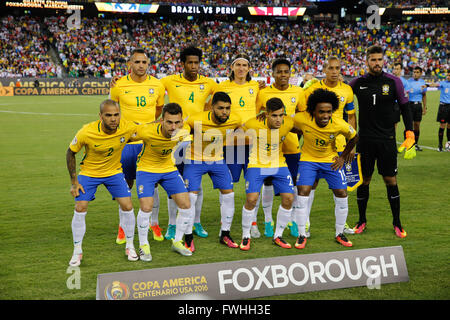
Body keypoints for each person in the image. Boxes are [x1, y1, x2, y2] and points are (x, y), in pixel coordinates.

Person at [349, 45, 415, 238]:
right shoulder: (357, 82)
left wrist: (409, 131)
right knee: (364, 181)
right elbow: (339, 94)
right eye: (373, 60)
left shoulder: (394, 82)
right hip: (365, 141)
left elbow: (405, 108)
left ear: (383, 61)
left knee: (390, 180)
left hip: (387, 141)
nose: (376, 63)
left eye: (379, 60)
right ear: (366, 61)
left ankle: (397, 223)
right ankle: (361, 221)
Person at [66, 100, 139, 267]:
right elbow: (70, 152)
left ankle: (130, 246)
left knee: (127, 206)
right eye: (108, 115)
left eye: (116, 115)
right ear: (100, 116)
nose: (113, 119)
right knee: (80, 207)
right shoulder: (87, 131)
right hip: (89, 173)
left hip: (114, 172)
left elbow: (147, 130)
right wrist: (74, 181)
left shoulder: (127, 127)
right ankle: (77, 251)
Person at [161, 46, 218, 240]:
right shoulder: (169, 80)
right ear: (183, 64)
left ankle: (196, 222)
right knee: (173, 183)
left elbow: (222, 98)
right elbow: (150, 89)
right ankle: (171, 224)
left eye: (196, 62)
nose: (194, 66)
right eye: (190, 62)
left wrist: (206, 111)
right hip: (176, 139)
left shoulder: (208, 83)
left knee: (197, 185)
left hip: (199, 139)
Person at [110, 48, 165, 244]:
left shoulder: (157, 85)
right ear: (130, 64)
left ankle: (154, 223)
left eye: (144, 62)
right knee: (125, 184)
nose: (141, 65)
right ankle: (123, 227)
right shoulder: (119, 85)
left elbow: (159, 109)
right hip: (126, 143)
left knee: (153, 184)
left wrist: (148, 127)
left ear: (148, 64)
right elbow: (112, 110)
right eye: (137, 62)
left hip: (149, 142)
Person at [293, 89, 358, 249]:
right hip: (308, 160)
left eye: (329, 112)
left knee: (342, 193)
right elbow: (286, 123)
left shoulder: (338, 123)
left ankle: (339, 233)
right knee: (303, 191)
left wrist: (343, 157)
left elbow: (354, 136)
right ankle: (302, 235)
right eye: (321, 112)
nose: (325, 116)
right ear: (313, 111)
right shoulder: (302, 118)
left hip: (331, 161)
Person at [130, 103, 194, 258]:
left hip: (168, 168)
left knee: (186, 205)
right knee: (146, 207)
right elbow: (124, 138)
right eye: (169, 122)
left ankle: (177, 242)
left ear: (181, 122)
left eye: (177, 122)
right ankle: (143, 245)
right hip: (146, 169)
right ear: (161, 121)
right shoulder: (146, 131)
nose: (173, 127)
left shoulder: (184, 131)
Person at [302, 56, 357, 237]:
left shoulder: (347, 90)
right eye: (331, 68)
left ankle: (342, 224)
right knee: (312, 184)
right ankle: (306, 223)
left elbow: (351, 116)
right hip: (317, 144)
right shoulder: (315, 88)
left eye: (337, 68)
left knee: (341, 186)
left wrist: (352, 148)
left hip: (341, 143)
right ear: (324, 70)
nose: (334, 72)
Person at [182, 92, 242, 251]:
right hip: (194, 159)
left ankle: (225, 234)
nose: (225, 112)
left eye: (227, 108)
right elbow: (180, 129)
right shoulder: (196, 119)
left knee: (229, 195)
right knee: (191, 197)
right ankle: (188, 237)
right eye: (220, 108)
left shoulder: (234, 119)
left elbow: (242, 129)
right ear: (212, 107)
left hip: (217, 160)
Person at [254, 58, 306, 238]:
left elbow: (302, 116)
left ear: (290, 73)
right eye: (279, 72)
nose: (283, 75)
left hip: (291, 146)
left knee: (293, 185)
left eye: (286, 72)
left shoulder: (298, 92)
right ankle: (268, 220)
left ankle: (291, 218)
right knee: (267, 182)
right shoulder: (263, 93)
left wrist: (297, 133)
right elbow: (256, 116)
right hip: (269, 148)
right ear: (273, 74)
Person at [240, 97, 299, 251]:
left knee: (289, 198)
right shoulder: (253, 123)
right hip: (256, 164)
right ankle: (246, 235)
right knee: (251, 200)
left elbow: (303, 128)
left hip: (279, 163)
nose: (279, 119)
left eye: (281, 115)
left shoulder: (289, 122)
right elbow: (237, 128)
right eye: (274, 116)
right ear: (266, 114)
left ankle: (278, 235)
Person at [214, 53, 261, 237]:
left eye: (245, 65)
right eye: (238, 65)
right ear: (232, 68)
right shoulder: (223, 87)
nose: (241, 68)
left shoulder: (256, 86)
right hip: (232, 144)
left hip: (252, 143)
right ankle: (224, 223)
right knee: (228, 185)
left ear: (249, 68)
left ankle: (253, 223)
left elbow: (260, 108)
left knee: (254, 184)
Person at [407, 66, 427, 151]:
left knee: (417, 126)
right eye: (414, 72)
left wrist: (424, 107)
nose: (415, 74)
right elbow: (405, 95)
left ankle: (415, 144)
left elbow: (424, 95)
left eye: (417, 72)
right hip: (409, 105)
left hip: (418, 106)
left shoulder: (423, 83)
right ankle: (409, 145)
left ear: (421, 73)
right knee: (409, 126)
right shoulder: (408, 82)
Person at [429, 72, 450, 151]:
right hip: (443, 107)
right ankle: (440, 145)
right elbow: (435, 85)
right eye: (448, 75)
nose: (448, 77)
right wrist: (428, 85)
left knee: (449, 127)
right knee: (442, 126)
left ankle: (449, 144)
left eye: (449, 75)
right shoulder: (443, 83)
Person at [392, 62, 410, 131]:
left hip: (401, 103)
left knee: (405, 122)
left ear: (401, 70)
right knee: (392, 122)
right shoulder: (390, 80)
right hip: (392, 103)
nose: (395, 71)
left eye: (397, 69)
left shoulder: (404, 81)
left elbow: (407, 95)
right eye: (394, 69)